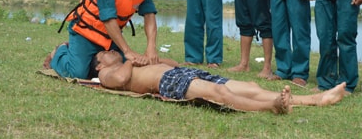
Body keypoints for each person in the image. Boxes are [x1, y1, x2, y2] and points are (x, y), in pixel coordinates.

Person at [91, 50, 347, 114]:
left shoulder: (129, 61)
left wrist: (150, 58)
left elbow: (172, 64)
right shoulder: (107, 74)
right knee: (217, 92)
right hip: (167, 83)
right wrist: (129, 60)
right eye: (105, 53)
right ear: (100, 64)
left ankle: (317, 98)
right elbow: (122, 79)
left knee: (249, 87)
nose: (110, 51)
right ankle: (272, 105)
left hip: (181, 72)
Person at [44, 0, 161, 79]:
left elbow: (149, 16)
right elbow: (108, 19)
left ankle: (79, 55)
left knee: (123, 67)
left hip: (111, 38)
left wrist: (151, 47)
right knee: (78, 73)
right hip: (86, 33)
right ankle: (60, 52)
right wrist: (127, 51)